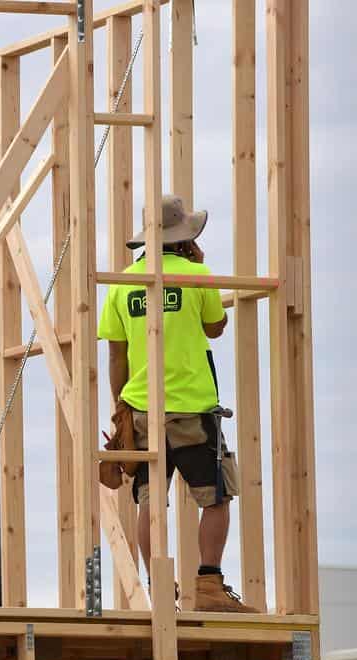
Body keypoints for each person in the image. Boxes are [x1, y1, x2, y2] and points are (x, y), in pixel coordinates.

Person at [97, 195, 259, 614]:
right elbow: (216, 326)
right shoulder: (197, 274)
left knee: (150, 500)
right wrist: (199, 264)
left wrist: (122, 411)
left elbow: (117, 354)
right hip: (192, 407)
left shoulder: (122, 282)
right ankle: (209, 585)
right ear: (185, 237)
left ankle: (158, 586)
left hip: (142, 410)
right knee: (216, 497)